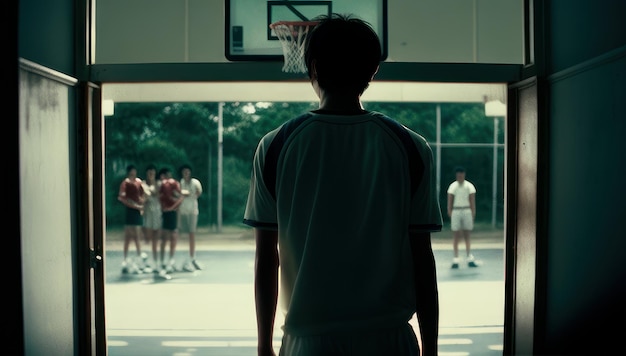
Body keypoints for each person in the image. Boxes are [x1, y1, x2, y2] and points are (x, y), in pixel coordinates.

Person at [243, 14, 442, 356]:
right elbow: (422, 258)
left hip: (309, 339)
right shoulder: (410, 146)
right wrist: (431, 348)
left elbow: (267, 257)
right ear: (372, 71)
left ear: (314, 68)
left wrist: (263, 346)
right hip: (390, 338)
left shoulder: (276, 145)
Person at [446, 166, 479, 268]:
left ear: (464, 175)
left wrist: (473, 212)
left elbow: (472, 200)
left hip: (466, 209)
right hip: (456, 210)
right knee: (456, 235)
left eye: (461, 174)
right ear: (456, 175)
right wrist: (450, 211)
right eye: (458, 175)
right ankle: (456, 258)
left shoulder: (469, 186)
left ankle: (469, 256)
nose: (460, 176)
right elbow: (450, 200)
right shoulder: (453, 186)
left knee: (467, 234)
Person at [117, 164, 146, 274]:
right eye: (131, 171)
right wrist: (134, 206)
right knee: (128, 236)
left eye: (134, 171)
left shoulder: (139, 182)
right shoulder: (125, 183)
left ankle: (139, 258)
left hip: (138, 211)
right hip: (130, 211)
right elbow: (122, 197)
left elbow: (143, 194)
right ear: (129, 172)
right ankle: (125, 259)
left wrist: (141, 203)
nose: (133, 173)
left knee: (137, 235)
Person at [177, 164, 204, 271]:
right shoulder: (180, 183)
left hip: (192, 211)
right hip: (183, 211)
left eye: (188, 172)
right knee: (182, 235)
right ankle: (184, 259)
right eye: (184, 172)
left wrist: (191, 194)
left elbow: (198, 193)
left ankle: (192, 258)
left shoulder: (195, 183)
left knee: (191, 234)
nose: (186, 174)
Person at [158, 167, 183, 274]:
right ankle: (163, 261)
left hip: (171, 212)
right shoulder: (162, 185)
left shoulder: (174, 184)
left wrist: (173, 207)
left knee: (173, 235)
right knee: (165, 237)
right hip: (165, 212)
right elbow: (159, 197)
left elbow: (180, 197)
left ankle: (170, 260)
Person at [141, 164, 162, 273]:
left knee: (156, 238)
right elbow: (145, 197)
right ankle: (145, 260)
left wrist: (151, 191)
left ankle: (156, 262)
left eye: (153, 173)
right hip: (148, 212)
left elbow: (156, 193)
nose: (151, 175)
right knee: (147, 237)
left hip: (157, 212)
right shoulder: (143, 184)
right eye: (149, 173)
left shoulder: (158, 184)